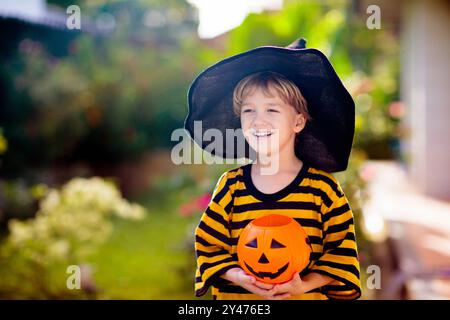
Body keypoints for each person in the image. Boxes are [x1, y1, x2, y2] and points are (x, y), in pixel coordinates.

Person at [184, 38, 361, 300]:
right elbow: (210, 245)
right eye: (248, 111)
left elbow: (341, 253)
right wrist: (238, 276)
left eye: (272, 109)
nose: (258, 121)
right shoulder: (231, 187)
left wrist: (304, 285)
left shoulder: (322, 190)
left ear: (298, 122)